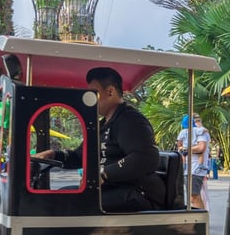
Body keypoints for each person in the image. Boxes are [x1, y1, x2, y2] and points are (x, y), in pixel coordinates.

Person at [35, 67, 164, 212]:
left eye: (93, 94)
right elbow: (80, 156)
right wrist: (53, 155)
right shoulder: (102, 124)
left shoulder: (129, 119)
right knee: (58, 196)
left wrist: (104, 174)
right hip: (110, 190)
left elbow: (146, 157)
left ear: (110, 91)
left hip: (136, 193)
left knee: (68, 203)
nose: (89, 99)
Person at [176, 113, 211, 209]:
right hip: (189, 168)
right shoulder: (187, 132)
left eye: (198, 120)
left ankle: (202, 220)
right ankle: (202, 219)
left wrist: (185, 149)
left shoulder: (201, 132)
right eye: (195, 120)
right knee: (193, 197)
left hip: (196, 169)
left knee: (194, 197)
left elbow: (201, 148)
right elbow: (179, 145)